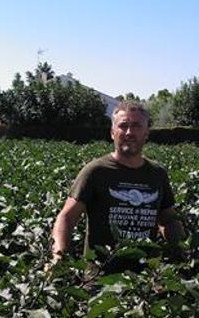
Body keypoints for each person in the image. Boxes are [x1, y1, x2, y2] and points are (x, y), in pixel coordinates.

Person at [51, 101, 184, 267]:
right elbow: (66, 218)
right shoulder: (95, 171)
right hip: (99, 281)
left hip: (146, 280)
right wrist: (58, 256)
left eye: (136, 126)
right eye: (123, 126)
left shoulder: (157, 174)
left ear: (146, 133)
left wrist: (182, 249)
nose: (129, 132)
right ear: (113, 133)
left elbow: (168, 219)